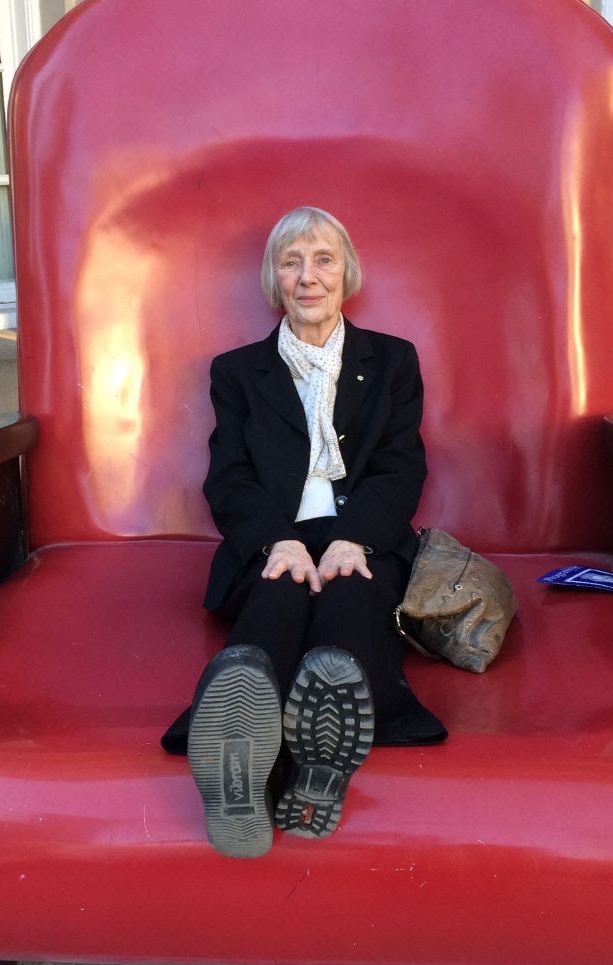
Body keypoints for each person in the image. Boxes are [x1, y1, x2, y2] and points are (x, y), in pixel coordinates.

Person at [162, 206, 446, 858]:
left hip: (363, 536)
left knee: (350, 598)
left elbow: (402, 468)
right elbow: (229, 478)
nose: (307, 276)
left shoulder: (394, 361)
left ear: (346, 273)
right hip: (275, 537)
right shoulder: (237, 372)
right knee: (276, 597)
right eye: (291, 262)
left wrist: (357, 537)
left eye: (322, 260)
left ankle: (310, 769)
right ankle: (243, 767)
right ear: (274, 279)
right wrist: (276, 541)